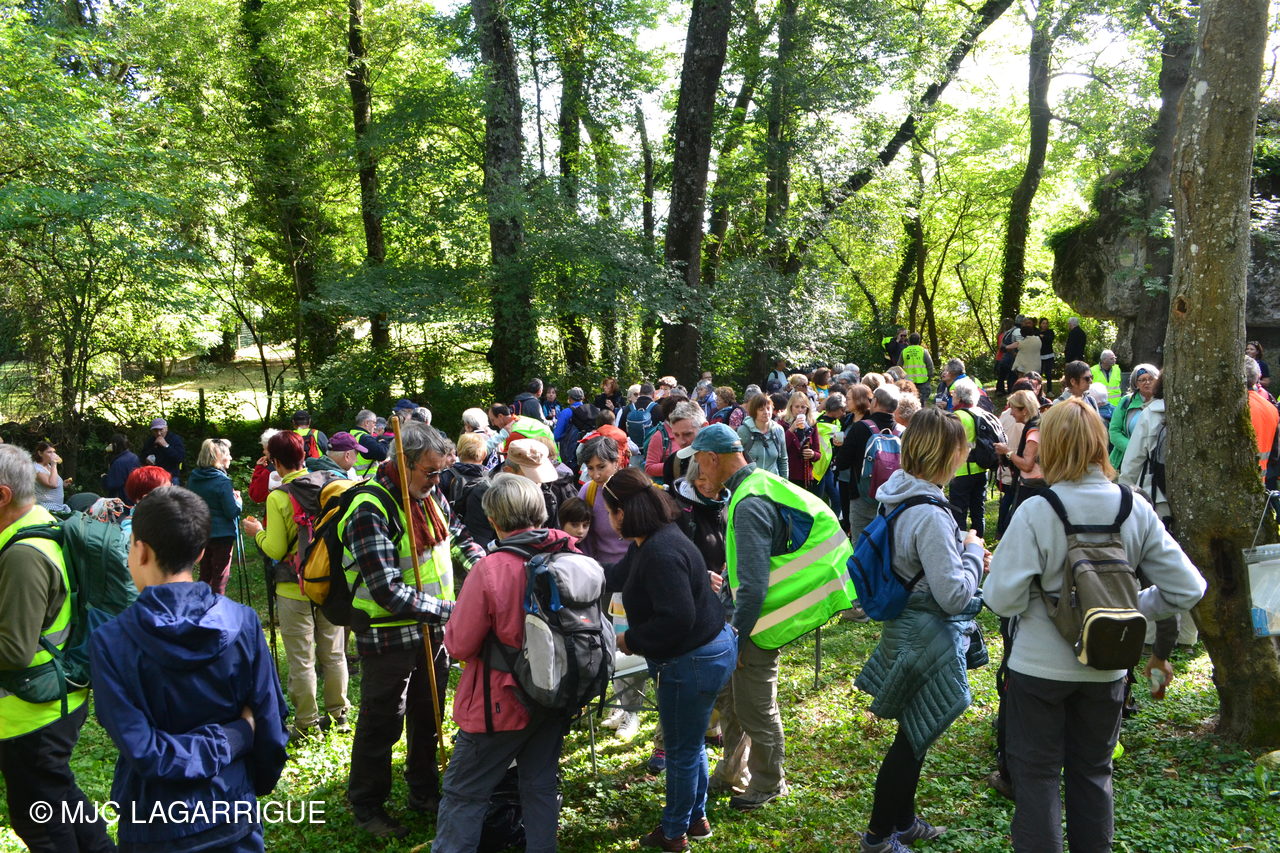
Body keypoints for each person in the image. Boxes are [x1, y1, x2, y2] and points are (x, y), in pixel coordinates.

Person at [983, 398, 1205, 853]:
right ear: (1101, 443)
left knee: (1037, 776)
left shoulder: (1037, 510)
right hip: (1106, 666)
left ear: (1051, 446)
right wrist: (1128, 609)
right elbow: (1189, 588)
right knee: (1093, 773)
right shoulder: (1133, 507)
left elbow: (1001, 598)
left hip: (1037, 668)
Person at [90, 487, 289, 853]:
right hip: (233, 810)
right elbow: (269, 724)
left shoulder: (109, 641)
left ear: (140, 551)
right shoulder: (244, 622)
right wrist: (238, 738)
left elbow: (146, 751)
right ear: (200, 553)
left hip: (152, 824)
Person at [692, 424, 853, 811]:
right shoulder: (757, 484)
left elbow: (752, 586)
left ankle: (768, 783)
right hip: (752, 619)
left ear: (713, 458)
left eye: (698, 461)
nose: (697, 469)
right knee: (736, 700)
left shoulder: (749, 502)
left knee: (756, 707)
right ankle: (734, 770)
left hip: (757, 624)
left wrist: (738, 637)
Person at [341, 422, 485, 838]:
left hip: (433, 632)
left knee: (429, 714)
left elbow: (457, 536)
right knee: (382, 720)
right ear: (403, 463)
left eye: (440, 472)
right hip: (388, 636)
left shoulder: (429, 493)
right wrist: (453, 611)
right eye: (430, 471)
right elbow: (386, 589)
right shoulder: (370, 508)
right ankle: (367, 805)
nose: (437, 480)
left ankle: (423, 791)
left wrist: (485, 571)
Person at [855, 407, 986, 853]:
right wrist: (973, 553)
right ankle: (878, 838)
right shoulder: (929, 512)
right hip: (924, 633)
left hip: (906, 625)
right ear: (944, 454)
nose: (965, 455)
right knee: (911, 741)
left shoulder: (898, 492)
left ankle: (904, 822)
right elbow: (953, 595)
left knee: (916, 732)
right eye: (961, 448)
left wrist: (960, 553)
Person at [431, 474, 577, 853]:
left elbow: (459, 644)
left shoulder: (490, 569)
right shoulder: (571, 555)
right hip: (555, 696)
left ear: (493, 519)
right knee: (540, 784)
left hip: (499, 703)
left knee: (464, 791)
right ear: (540, 511)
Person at [600, 469, 736, 851]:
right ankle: (696, 819)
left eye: (609, 512)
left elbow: (677, 618)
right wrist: (574, 570)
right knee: (691, 742)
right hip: (707, 650)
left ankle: (674, 833)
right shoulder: (648, 540)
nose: (608, 520)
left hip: (693, 660)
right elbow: (617, 576)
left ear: (623, 513)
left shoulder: (660, 552)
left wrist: (630, 640)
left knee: (680, 749)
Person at [0, 443, 115, 853]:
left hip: (32, 714)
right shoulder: (38, 522)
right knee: (60, 799)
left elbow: (14, 650)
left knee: (39, 825)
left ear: (2, 495)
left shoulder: (23, 556)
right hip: (51, 700)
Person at [242, 431, 350, 743]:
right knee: (334, 652)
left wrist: (257, 532)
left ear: (275, 462)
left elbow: (275, 549)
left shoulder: (279, 497)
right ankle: (339, 715)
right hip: (328, 582)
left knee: (302, 659)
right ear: (304, 455)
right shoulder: (328, 485)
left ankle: (307, 723)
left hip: (293, 587)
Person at [837, 384, 901, 542]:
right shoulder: (903, 432)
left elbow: (842, 463)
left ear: (876, 402)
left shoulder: (860, 428)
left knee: (860, 544)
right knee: (888, 544)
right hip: (893, 498)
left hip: (862, 496)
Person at [186, 438, 242, 596]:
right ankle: (216, 607)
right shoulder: (222, 481)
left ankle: (200, 604)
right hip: (222, 535)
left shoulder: (194, 478)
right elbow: (231, 512)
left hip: (202, 532)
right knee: (219, 578)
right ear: (219, 457)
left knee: (205, 575)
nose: (230, 457)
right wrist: (238, 501)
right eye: (228, 454)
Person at [994, 389, 1042, 535]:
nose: (1011, 413)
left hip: (1031, 486)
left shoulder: (1033, 431)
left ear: (1024, 410)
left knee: (1015, 528)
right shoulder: (1036, 425)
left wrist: (1007, 452)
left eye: (1013, 409)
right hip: (1033, 485)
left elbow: (1027, 465)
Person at [946, 378, 989, 538]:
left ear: (959, 397)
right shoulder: (981, 412)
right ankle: (979, 541)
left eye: (954, 394)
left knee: (959, 511)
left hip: (962, 471)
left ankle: (960, 543)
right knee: (978, 509)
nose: (952, 397)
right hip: (981, 468)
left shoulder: (957, 416)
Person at [1108, 364, 1160, 469]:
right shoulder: (1126, 401)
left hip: (1156, 460)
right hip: (1128, 460)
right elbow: (1114, 431)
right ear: (1136, 384)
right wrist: (1133, 449)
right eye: (1142, 380)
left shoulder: (1163, 402)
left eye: (1151, 379)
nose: (1147, 382)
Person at [780, 391, 822, 490]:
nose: (800, 410)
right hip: (788, 474)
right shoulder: (782, 423)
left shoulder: (811, 424)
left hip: (806, 476)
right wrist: (792, 429)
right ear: (791, 407)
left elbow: (818, 454)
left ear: (807, 409)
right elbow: (780, 447)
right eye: (797, 407)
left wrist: (812, 454)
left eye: (803, 407)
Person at [140, 417, 185, 484]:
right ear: (152, 431)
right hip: (154, 477)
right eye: (155, 430)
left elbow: (179, 458)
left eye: (161, 430)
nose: (159, 433)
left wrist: (166, 446)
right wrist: (146, 459)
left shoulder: (175, 439)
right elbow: (142, 456)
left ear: (166, 428)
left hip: (171, 477)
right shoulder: (150, 441)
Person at [32, 441, 71, 514]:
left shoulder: (48, 466)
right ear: (40, 453)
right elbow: (53, 484)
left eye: (54, 452)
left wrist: (62, 484)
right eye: (49, 452)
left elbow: (50, 483)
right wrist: (54, 464)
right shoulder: (36, 468)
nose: (53, 455)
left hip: (57, 507)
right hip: (45, 508)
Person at [350, 409, 390, 478]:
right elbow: (382, 454)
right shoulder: (365, 438)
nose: (375, 426)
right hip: (368, 480)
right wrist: (383, 442)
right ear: (367, 423)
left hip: (355, 478)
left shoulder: (352, 434)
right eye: (374, 423)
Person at [102, 433, 140, 503]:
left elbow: (112, 484)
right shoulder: (134, 457)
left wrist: (104, 478)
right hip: (133, 496)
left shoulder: (118, 462)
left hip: (121, 500)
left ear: (115, 445)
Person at [248, 428, 281, 504]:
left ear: (271, 450)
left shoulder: (270, 471)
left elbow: (256, 496)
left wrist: (259, 469)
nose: (263, 452)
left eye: (265, 449)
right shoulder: (295, 464)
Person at [899, 333, 934, 401]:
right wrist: (929, 378)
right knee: (922, 402)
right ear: (919, 341)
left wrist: (901, 380)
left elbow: (899, 367)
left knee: (910, 402)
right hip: (923, 381)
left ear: (909, 341)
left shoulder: (904, 351)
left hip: (908, 382)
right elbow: (930, 366)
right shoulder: (923, 351)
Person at [1038, 318, 1056, 393]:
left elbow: (1050, 340)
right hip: (1039, 355)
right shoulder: (1037, 332)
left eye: (1046, 323)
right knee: (1039, 374)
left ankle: (1049, 390)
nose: (1045, 325)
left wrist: (1043, 337)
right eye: (1043, 323)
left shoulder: (1050, 332)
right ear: (1040, 324)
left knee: (1048, 373)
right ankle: (1039, 391)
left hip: (1049, 355)